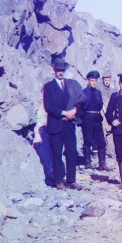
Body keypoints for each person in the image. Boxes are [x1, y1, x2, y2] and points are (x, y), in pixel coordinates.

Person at [42, 58, 83, 190]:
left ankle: (71, 180)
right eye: (58, 70)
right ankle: (59, 181)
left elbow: (79, 101)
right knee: (57, 153)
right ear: (54, 70)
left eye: (62, 70)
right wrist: (64, 113)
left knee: (71, 152)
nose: (60, 72)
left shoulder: (70, 85)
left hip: (69, 125)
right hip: (56, 125)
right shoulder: (48, 87)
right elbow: (48, 106)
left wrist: (74, 111)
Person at [78, 70, 110, 172]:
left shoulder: (98, 93)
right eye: (92, 80)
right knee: (88, 141)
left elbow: (100, 106)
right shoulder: (83, 92)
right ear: (88, 80)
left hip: (97, 119)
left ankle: (102, 164)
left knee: (101, 142)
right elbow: (79, 107)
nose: (94, 82)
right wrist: (83, 118)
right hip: (87, 119)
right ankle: (87, 163)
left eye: (95, 80)